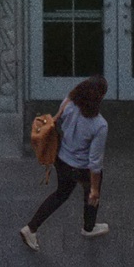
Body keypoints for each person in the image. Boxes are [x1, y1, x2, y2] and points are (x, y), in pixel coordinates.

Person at [21, 78, 110, 247]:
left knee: (60, 195)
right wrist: (95, 190)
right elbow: (95, 162)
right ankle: (89, 227)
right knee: (89, 195)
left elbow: (58, 123)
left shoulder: (68, 103)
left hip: (62, 160)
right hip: (82, 167)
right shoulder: (100, 125)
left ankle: (31, 228)